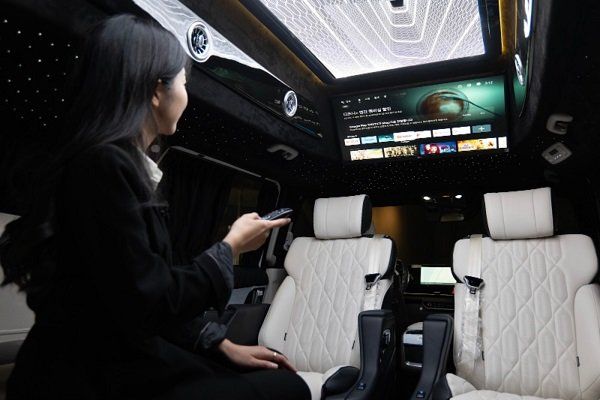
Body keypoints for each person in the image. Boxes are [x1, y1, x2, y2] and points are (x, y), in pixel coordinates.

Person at [0, 14, 310, 400]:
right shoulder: (103, 167)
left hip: (108, 360)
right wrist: (230, 247)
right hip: (91, 376)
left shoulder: (106, 164)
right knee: (289, 388)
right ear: (155, 91)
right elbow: (148, 299)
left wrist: (221, 344)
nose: (187, 95)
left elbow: (140, 287)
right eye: (184, 83)